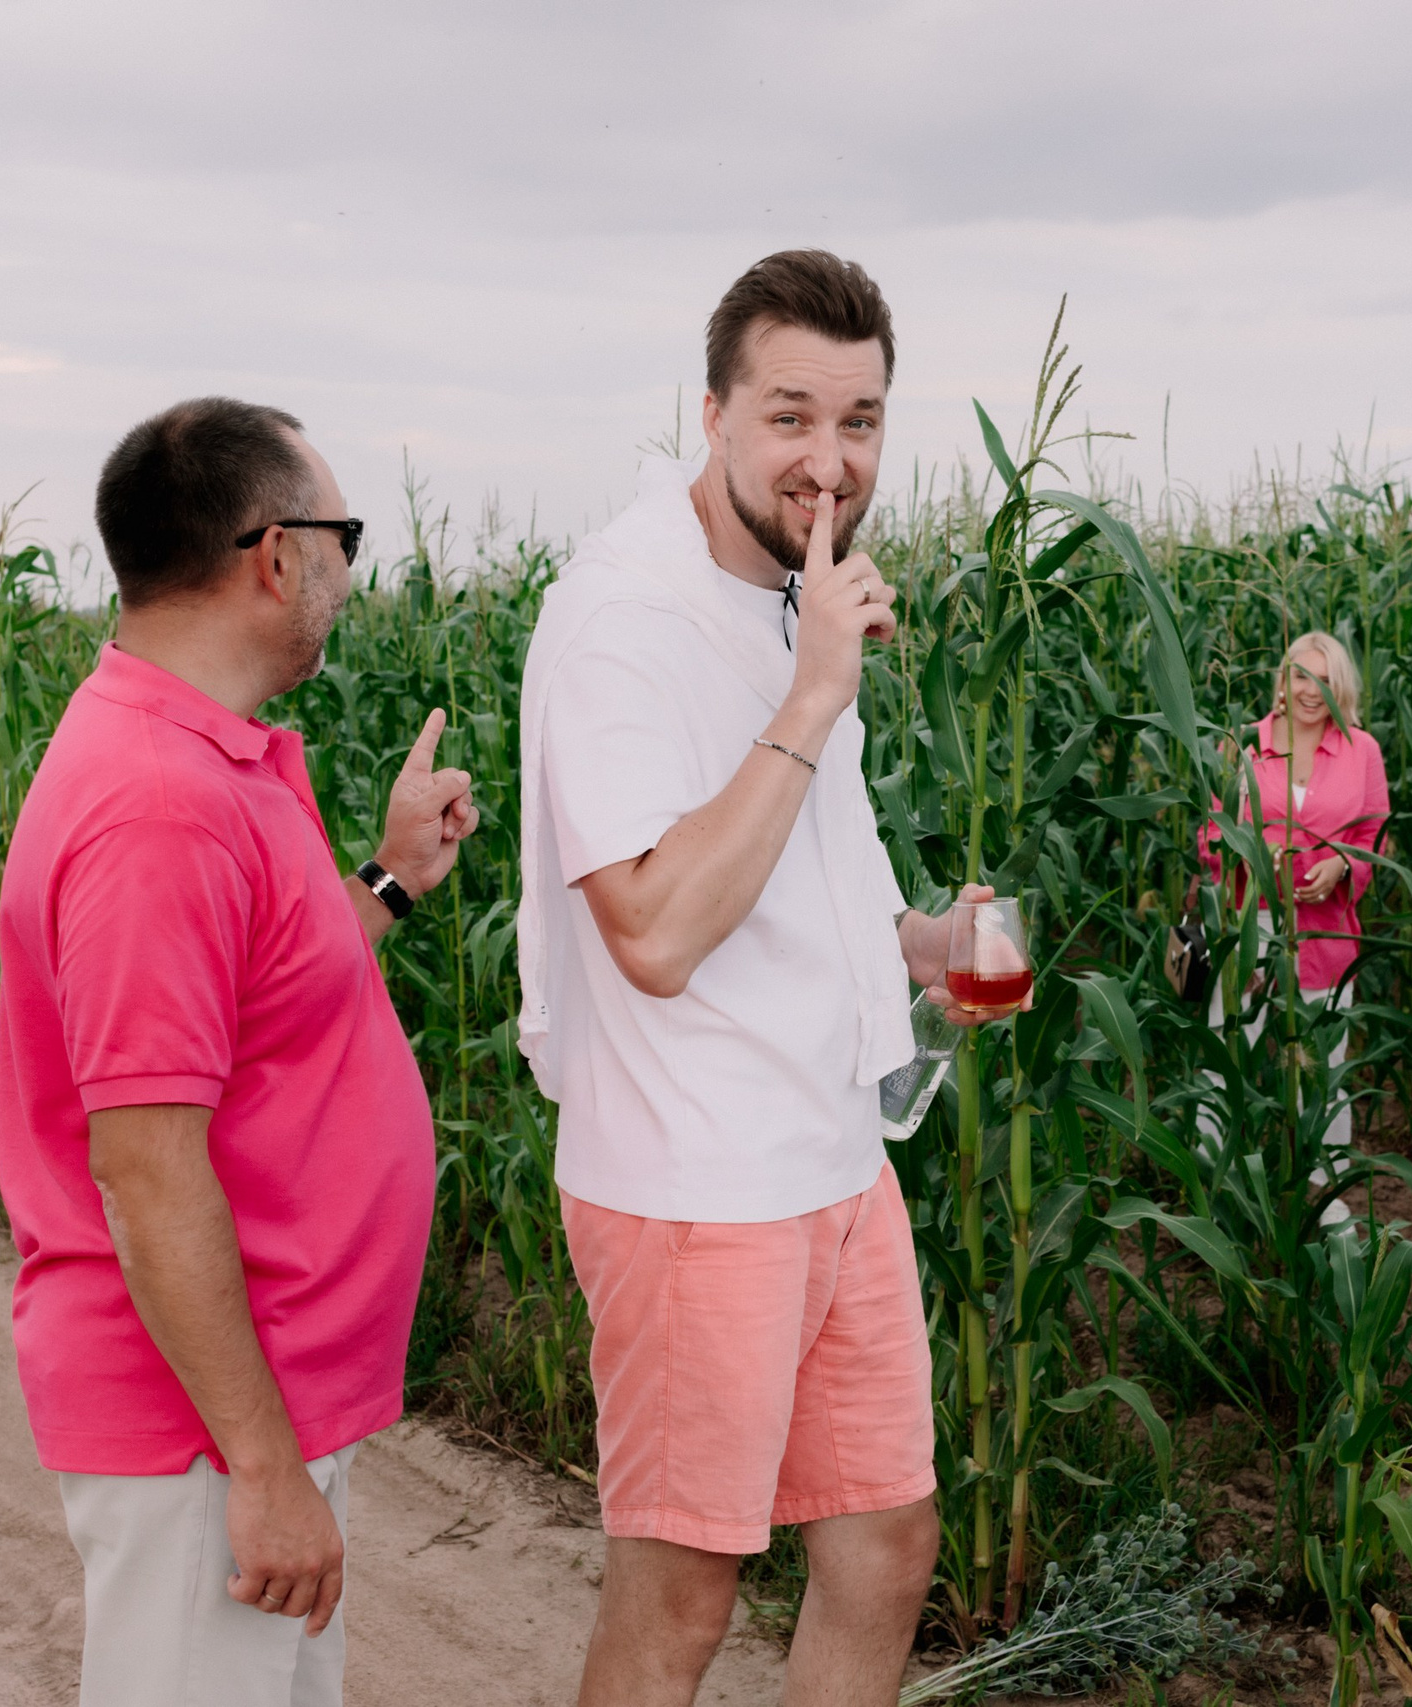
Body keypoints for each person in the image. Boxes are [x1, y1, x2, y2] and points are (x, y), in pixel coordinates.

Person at [515, 250, 1009, 1707]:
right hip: (692, 1181)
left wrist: (922, 944)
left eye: (860, 421)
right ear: (718, 407)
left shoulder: (800, 594)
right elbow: (656, 931)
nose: (830, 460)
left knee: (887, 1542)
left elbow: (787, 869)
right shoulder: (627, 618)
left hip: (831, 1159)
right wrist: (813, 698)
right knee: (681, 1599)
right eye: (792, 415)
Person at [0, 398, 478, 1707]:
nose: (346, 569)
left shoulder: (212, 760)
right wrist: (258, 1464)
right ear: (275, 554)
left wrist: (391, 875)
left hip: (247, 1400)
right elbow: (147, 1171)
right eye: (344, 535)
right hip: (202, 1424)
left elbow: (258, 1001)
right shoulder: (160, 802)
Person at [1195, 631, 1390, 1222]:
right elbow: (1210, 835)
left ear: (1343, 688)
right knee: (1222, 1067)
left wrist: (1342, 865)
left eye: (1327, 681)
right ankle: (1217, 1201)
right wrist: (1256, 862)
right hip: (1248, 933)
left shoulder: (1362, 750)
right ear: (1282, 682)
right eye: (1302, 677)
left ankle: (1327, 1210)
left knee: (1322, 1076)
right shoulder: (1242, 747)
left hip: (1326, 940)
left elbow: (1374, 839)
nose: (1312, 692)